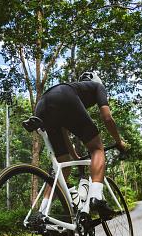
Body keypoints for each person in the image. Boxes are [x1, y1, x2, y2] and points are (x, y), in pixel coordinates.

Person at [34, 71, 128, 217]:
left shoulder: (77, 91)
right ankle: (96, 197)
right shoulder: (98, 87)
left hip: (41, 107)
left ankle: (42, 213)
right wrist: (118, 141)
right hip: (62, 95)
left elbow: (63, 130)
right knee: (97, 149)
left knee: (63, 166)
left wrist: (75, 156)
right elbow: (107, 118)